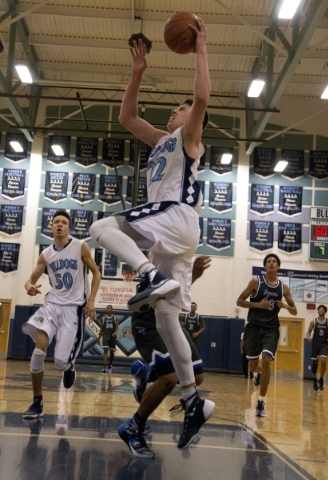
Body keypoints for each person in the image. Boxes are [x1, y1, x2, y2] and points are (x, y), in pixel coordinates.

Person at [89, 17, 214, 450]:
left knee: (100, 225)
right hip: (176, 232)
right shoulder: (161, 140)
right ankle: (193, 398)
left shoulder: (189, 140)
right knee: (166, 316)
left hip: (174, 215)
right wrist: (137, 73)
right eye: (175, 112)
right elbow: (127, 117)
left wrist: (200, 48)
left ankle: (146, 271)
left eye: (178, 111)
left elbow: (200, 97)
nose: (174, 113)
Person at [118, 256, 210, 458]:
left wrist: (192, 274)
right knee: (169, 379)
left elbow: (177, 290)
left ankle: (147, 373)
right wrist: (192, 274)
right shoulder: (155, 256)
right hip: (149, 324)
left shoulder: (181, 251)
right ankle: (132, 428)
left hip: (173, 320)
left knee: (197, 377)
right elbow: (163, 291)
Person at [21, 210, 101, 419]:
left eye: (64, 223)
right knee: (38, 354)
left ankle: (69, 366)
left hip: (73, 308)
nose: (59, 225)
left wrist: (91, 300)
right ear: (51, 227)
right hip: (52, 305)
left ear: (69, 228)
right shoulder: (46, 254)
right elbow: (30, 279)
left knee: (59, 363)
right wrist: (29, 286)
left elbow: (96, 272)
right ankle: (37, 403)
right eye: (56, 222)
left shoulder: (80, 246)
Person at [236, 253, 297, 417]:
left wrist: (285, 305)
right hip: (254, 327)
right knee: (253, 366)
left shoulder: (283, 288)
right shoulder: (256, 281)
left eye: (274, 262)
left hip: (271, 327)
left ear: (278, 267)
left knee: (267, 359)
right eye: (268, 261)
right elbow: (239, 301)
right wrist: (258, 305)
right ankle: (256, 374)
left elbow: (295, 311)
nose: (271, 263)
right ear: (265, 267)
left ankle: (261, 402)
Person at [307, 304, 328, 391]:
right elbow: (308, 332)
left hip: (324, 344)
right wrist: (308, 336)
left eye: (322, 309)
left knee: (323, 361)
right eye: (319, 309)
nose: (321, 310)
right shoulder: (314, 321)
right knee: (315, 364)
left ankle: (321, 379)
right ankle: (314, 380)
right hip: (315, 344)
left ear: (325, 311)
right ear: (318, 311)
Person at [97, 304, 119, 373]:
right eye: (107, 308)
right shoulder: (103, 318)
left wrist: (115, 332)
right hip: (106, 336)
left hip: (112, 337)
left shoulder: (115, 317)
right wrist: (99, 337)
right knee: (105, 350)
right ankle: (105, 366)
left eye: (109, 308)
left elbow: (117, 327)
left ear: (112, 309)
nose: (108, 309)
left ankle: (110, 364)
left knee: (112, 352)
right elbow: (101, 329)